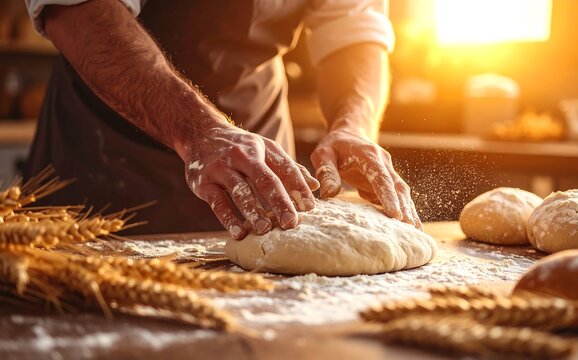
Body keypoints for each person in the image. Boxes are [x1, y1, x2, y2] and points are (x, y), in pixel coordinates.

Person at [23, 0, 422, 238]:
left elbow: (352, 29)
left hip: (260, 148)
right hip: (105, 155)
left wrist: (352, 124)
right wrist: (199, 130)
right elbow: (77, 10)